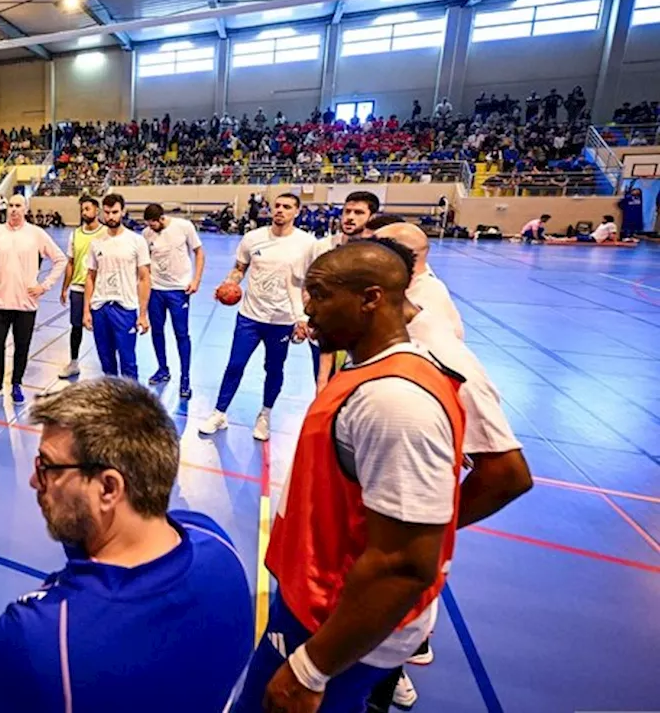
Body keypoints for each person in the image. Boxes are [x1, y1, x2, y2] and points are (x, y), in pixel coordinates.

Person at [234, 239, 470, 713]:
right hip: (320, 603)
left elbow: (404, 563)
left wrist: (311, 669)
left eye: (320, 294)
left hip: (331, 623)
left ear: (371, 298)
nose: (307, 306)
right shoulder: (371, 370)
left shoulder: (395, 404)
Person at [0, 378, 253, 712]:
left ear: (108, 489)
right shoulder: (217, 543)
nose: (33, 481)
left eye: (47, 467)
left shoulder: (40, 639)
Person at [364, 233, 534, 711]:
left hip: (392, 545)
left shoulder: (444, 357)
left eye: (322, 293)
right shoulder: (374, 346)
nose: (310, 308)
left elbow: (507, 473)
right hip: (359, 535)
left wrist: (434, 528)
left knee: (378, 638)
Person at [199, 193, 313, 440]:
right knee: (235, 365)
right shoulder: (253, 238)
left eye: (287, 207)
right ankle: (219, 412)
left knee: (274, 369)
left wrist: (302, 317)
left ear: (297, 212)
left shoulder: (306, 243)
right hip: (249, 316)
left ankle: (265, 415)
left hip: (282, 320)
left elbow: (309, 284)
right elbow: (240, 269)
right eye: (278, 206)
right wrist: (228, 284)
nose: (280, 210)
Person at [0, 194, 68, 404]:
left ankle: (16, 383)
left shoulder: (36, 234)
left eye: (18, 205)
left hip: (26, 304)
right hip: (0, 302)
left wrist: (44, 286)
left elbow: (60, 259)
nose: (14, 209)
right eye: (11, 205)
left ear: (26, 209)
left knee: (22, 346)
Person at [309, 191, 380, 388]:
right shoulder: (322, 247)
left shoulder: (380, 253)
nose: (350, 217)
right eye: (347, 211)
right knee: (323, 385)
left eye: (358, 212)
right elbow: (308, 285)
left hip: (361, 337)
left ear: (371, 217)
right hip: (326, 331)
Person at [83, 194, 151, 380]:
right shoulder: (96, 242)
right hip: (100, 308)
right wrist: (86, 311)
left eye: (115, 212)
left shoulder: (136, 241)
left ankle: (132, 406)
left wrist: (143, 314)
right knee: (106, 362)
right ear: (102, 213)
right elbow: (90, 276)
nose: (111, 216)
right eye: (107, 212)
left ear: (123, 212)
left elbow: (145, 279)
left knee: (128, 362)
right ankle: (112, 404)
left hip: (125, 308)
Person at [142, 202, 205, 398]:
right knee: (157, 331)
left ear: (161, 218)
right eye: (148, 224)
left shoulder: (184, 227)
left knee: (182, 334)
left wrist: (196, 280)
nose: (151, 227)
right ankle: (163, 369)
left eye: (154, 224)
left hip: (179, 291)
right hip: (156, 291)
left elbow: (199, 252)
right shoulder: (146, 234)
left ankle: (185, 378)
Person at [58, 196, 104, 380]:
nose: (84, 212)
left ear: (96, 210)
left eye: (87, 209)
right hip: (78, 289)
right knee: (76, 327)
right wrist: (64, 287)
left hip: (100, 290)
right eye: (82, 209)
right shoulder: (75, 234)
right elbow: (70, 262)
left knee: (102, 329)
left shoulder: (106, 232)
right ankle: (74, 362)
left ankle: (108, 367)